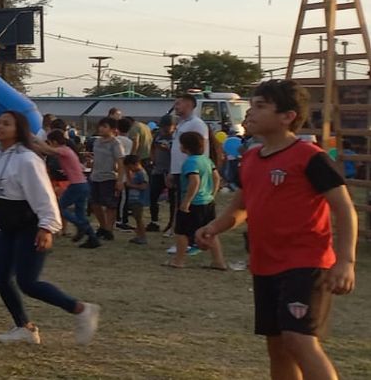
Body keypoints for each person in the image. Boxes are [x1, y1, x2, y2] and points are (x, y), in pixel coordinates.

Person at [199, 80, 356, 380]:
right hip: (265, 264)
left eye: (261, 106)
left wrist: (346, 260)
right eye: (252, 105)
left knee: (299, 340)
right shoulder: (251, 158)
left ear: (288, 116)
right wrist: (214, 226)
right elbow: (241, 208)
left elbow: (344, 208)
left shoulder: (310, 156)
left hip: (305, 263)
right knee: (278, 346)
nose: (251, 113)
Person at [0, 111, 99, 346]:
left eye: (6, 123)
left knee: (29, 282)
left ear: (19, 130)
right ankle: (25, 328)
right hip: (8, 229)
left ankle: (81, 309)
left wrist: (47, 227)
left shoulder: (27, 160)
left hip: (31, 227)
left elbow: (44, 196)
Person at [167, 132, 227, 270]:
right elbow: (216, 177)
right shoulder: (206, 160)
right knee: (210, 232)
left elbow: (194, 181)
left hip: (194, 203)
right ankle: (218, 261)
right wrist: (212, 193)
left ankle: (179, 260)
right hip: (207, 201)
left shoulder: (190, 162)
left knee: (181, 232)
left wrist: (187, 201)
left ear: (185, 147)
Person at [47, 130, 99, 249]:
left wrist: (31, 141)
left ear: (54, 142)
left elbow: (49, 150)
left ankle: (82, 227)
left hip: (76, 185)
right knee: (80, 213)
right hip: (83, 184)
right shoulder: (69, 151)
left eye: (50, 142)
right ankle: (92, 238)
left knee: (60, 208)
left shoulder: (63, 150)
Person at [88, 118, 127, 241]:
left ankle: (109, 230)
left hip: (109, 177)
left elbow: (121, 162)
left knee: (110, 205)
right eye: (100, 126)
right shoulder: (97, 142)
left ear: (113, 129)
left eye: (104, 126)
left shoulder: (116, 143)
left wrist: (120, 180)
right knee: (94, 203)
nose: (101, 129)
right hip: (95, 176)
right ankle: (103, 226)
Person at [147, 116, 176, 232]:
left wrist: (167, 149)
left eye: (167, 127)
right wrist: (153, 159)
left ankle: (172, 223)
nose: (165, 129)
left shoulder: (176, 137)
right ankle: (154, 221)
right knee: (153, 196)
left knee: (172, 199)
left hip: (170, 170)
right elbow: (152, 147)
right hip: (158, 170)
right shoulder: (158, 135)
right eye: (163, 127)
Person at [122, 155, 150, 246]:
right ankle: (138, 235)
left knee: (139, 219)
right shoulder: (135, 173)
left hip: (139, 199)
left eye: (130, 167)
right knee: (136, 218)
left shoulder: (142, 173)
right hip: (133, 199)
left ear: (136, 164)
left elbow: (144, 186)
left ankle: (143, 236)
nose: (130, 169)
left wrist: (132, 186)